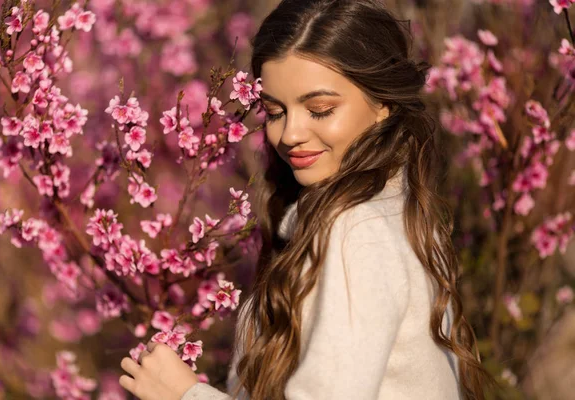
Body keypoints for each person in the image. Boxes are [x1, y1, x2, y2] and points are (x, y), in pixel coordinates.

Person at [119, 1, 497, 399]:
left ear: (382, 104)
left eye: (320, 110)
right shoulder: (393, 214)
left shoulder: (358, 229)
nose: (290, 134)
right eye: (276, 112)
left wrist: (184, 395)